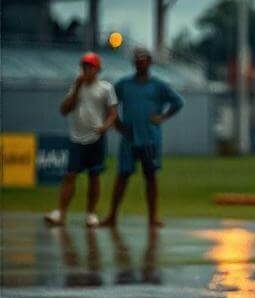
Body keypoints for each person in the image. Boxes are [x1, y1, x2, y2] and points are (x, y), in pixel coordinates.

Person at [99, 47, 183, 229]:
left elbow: (178, 102)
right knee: (122, 176)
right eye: (137, 60)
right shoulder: (124, 84)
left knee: (151, 177)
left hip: (150, 138)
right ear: (133, 63)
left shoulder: (158, 85)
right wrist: (116, 122)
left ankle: (153, 217)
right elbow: (109, 102)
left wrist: (163, 117)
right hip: (129, 138)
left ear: (150, 62)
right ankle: (112, 216)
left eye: (144, 60)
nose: (140, 63)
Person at [44, 52, 117, 227]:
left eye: (90, 66)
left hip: (96, 138)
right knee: (70, 175)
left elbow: (113, 113)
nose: (86, 70)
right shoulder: (76, 87)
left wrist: (105, 126)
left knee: (94, 176)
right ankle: (60, 213)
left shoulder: (106, 88)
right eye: (84, 66)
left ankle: (91, 213)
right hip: (77, 137)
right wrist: (76, 88)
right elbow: (64, 110)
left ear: (97, 69)